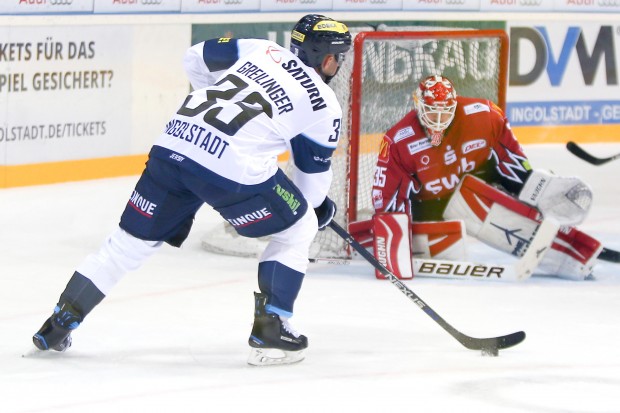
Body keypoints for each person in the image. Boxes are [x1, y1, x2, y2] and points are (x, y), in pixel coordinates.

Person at [32, 14, 351, 366]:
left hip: (175, 143)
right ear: (328, 58)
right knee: (299, 226)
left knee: (125, 245)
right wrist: (315, 210)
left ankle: (58, 323)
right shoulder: (324, 104)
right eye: (339, 57)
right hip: (229, 168)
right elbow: (312, 186)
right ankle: (272, 331)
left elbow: (193, 58)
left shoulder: (262, 50)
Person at [362, 74, 602, 280]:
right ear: (418, 105)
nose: (437, 121)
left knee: (479, 200)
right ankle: (374, 235)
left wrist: (532, 188)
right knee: (452, 242)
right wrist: (391, 240)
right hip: (427, 206)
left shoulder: (485, 115)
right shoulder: (399, 140)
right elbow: (389, 196)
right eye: (431, 113)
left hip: (471, 190)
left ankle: (573, 254)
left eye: (444, 113)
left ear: (454, 106)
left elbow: (512, 162)